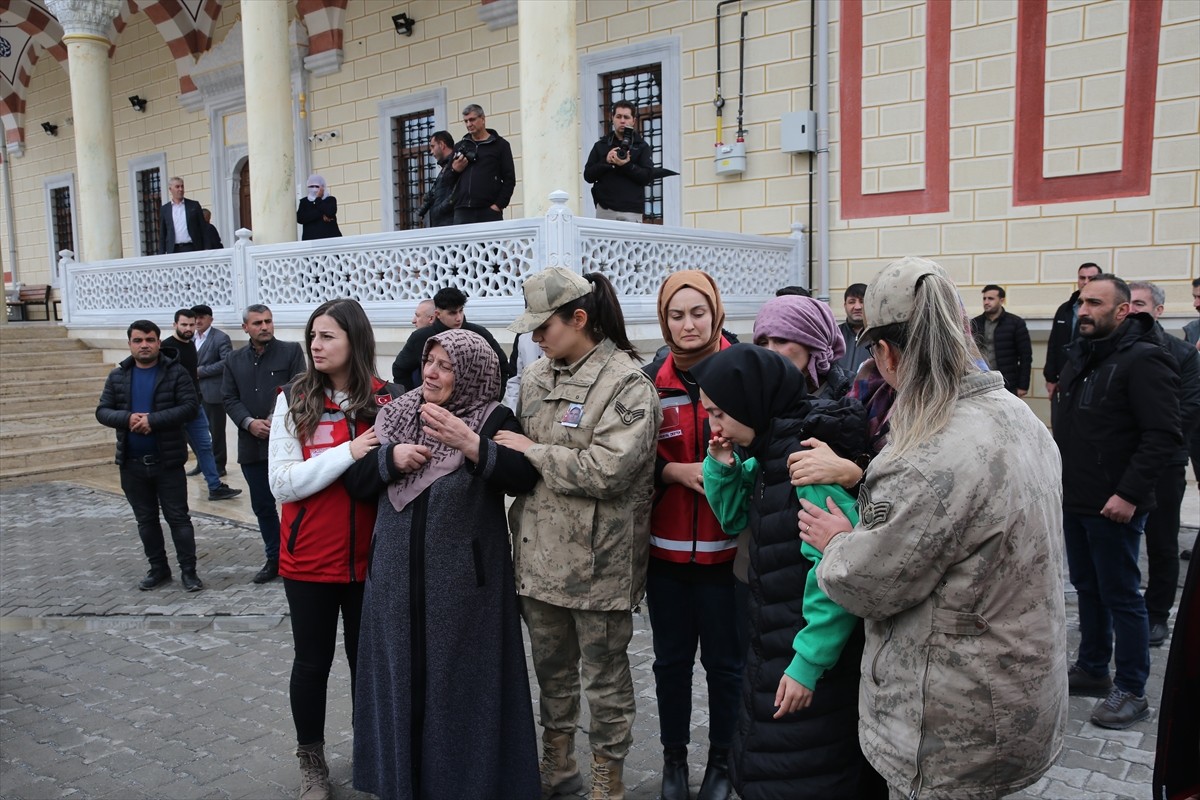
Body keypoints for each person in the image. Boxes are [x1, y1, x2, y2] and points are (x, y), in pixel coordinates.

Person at [797, 256, 1068, 798]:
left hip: (950, 723)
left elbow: (871, 584)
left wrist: (837, 543)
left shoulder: (929, 452)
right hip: (1016, 692)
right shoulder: (1021, 417)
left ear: (888, 352)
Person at [346, 329, 540, 800]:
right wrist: (390, 459)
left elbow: (524, 476)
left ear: (471, 373)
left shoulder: (493, 417)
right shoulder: (395, 412)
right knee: (397, 686)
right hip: (392, 585)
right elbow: (356, 482)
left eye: (446, 365)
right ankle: (398, 782)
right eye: (429, 361)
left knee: (461, 694)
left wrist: (471, 443)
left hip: (464, 591)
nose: (431, 372)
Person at [495, 268, 661, 800]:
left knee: (604, 680)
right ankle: (558, 761)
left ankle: (607, 778)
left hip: (598, 563)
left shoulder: (627, 383)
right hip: (538, 555)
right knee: (552, 672)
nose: (537, 339)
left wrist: (533, 453)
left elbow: (610, 470)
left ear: (580, 318)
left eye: (545, 327)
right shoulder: (540, 376)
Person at [693, 345, 882, 800]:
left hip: (806, 660)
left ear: (749, 401)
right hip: (777, 644)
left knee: (797, 772)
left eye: (719, 413)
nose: (713, 426)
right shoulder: (773, 452)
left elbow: (835, 577)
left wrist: (806, 664)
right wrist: (721, 467)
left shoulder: (804, 465)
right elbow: (736, 519)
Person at [268, 298, 401, 800]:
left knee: (369, 665)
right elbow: (283, 484)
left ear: (355, 341)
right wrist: (348, 451)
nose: (316, 346)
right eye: (313, 337)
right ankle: (312, 761)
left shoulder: (388, 401)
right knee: (312, 663)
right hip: (309, 562)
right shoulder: (293, 398)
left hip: (374, 563)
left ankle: (374, 752)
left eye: (328, 337)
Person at [1054, 275, 1182, 727]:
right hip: (1077, 501)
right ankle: (1092, 668)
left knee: (1123, 597)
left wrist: (1128, 494)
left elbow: (1163, 435)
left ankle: (1131, 689)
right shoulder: (1082, 356)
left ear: (1123, 310)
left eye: (1094, 303)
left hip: (1115, 506)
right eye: (1081, 302)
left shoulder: (1144, 360)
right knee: (1087, 590)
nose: (1083, 310)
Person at [641, 271, 739, 800]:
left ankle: (723, 763)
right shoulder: (650, 383)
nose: (688, 324)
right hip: (667, 556)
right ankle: (674, 762)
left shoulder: (743, 374)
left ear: (716, 311)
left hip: (729, 557)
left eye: (697, 312)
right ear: (664, 321)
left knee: (726, 666)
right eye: (676, 315)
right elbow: (631, 461)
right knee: (670, 664)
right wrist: (671, 473)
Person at [96, 320, 204, 592]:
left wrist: (153, 421)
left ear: (159, 342)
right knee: (146, 521)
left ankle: (189, 572)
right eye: (138, 340)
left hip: (167, 462)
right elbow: (103, 411)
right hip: (131, 463)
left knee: (178, 519)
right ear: (130, 343)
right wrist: (128, 418)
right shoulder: (118, 376)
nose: (144, 345)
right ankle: (158, 569)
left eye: (150, 340)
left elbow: (190, 407)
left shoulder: (176, 373)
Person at [1129, 281, 1200, 648]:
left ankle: (1157, 614)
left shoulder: (1183, 353)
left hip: (1164, 464)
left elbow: (1187, 411)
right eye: (1130, 303)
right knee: (1118, 543)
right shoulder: (1112, 349)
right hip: (1121, 462)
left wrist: (1150, 449)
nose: (1134, 309)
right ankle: (1122, 610)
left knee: (1161, 541)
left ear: (1158, 311)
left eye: (1141, 303)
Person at [221, 304, 305, 584]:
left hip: (287, 443)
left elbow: (300, 389)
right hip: (252, 445)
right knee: (263, 505)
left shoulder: (291, 351)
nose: (264, 327)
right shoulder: (233, 360)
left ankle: (299, 555)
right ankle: (275, 558)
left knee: (296, 501)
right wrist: (249, 423)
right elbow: (229, 398)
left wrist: (273, 421)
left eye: (268, 321)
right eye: (257, 323)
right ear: (246, 327)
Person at [160, 309, 241, 501]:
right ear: (175, 325)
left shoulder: (190, 345)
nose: (189, 328)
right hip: (175, 408)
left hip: (195, 405)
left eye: (191, 324)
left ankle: (215, 486)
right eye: (184, 325)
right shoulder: (167, 348)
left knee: (205, 445)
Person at [390, 286, 510, 392]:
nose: (458, 318)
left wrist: (494, 399)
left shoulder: (479, 334)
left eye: (461, 311)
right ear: (438, 314)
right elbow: (400, 369)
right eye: (452, 313)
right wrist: (415, 399)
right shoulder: (421, 337)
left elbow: (502, 366)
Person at [753, 294, 853, 400]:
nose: (770, 350)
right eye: (763, 343)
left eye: (782, 340)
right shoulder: (753, 394)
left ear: (815, 342)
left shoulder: (854, 392)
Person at [583, 100, 654, 223]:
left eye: (626, 117)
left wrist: (627, 165)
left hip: (632, 211)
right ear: (612, 118)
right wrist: (606, 161)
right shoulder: (601, 146)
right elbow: (588, 176)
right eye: (618, 116)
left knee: (632, 243)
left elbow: (647, 177)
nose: (622, 121)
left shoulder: (642, 146)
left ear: (633, 121)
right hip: (606, 210)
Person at [450, 104, 515, 224]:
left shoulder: (501, 145)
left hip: (489, 211)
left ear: (483, 119)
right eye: (466, 121)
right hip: (462, 211)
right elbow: (447, 180)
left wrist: (498, 206)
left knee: (492, 244)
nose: (469, 124)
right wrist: (454, 170)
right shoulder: (460, 146)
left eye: (472, 119)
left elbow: (509, 179)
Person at [1044, 261, 1101, 395]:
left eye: (1091, 278)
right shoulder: (1065, 309)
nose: (1086, 282)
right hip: (1064, 376)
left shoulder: (1105, 309)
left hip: (1092, 377)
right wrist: (1050, 378)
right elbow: (1054, 344)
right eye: (1082, 278)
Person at [969, 284, 1032, 396]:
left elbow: (1025, 356)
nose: (986, 302)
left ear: (1001, 300)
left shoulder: (1016, 323)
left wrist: (1023, 385)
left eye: (991, 298)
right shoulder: (975, 323)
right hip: (981, 382)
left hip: (1007, 382)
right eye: (984, 298)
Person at [193, 304, 232, 476]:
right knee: (193, 430)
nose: (198, 320)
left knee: (215, 431)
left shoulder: (220, 338)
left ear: (210, 319)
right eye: (195, 317)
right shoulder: (190, 338)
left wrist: (201, 372)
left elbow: (226, 362)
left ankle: (218, 465)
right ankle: (202, 462)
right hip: (193, 392)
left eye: (202, 317)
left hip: (213, 392)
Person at [417, 131, 459, 228]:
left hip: (450, 226)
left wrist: (436, 211)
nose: (431, 152)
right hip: (442, 226)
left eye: (432, 146)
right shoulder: (445, 167)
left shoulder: (456, 164)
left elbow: (456, 194)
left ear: (442, 145)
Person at [158, 176, 205, 254]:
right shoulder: (165, 209)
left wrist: (206, 248)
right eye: (177, 187)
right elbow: (163, 233)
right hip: (173, 249)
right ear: (170, 189)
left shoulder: (194, 205)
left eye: (182, 186)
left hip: (192, 247)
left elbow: (203, 228)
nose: (181, 189)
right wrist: (161, 253)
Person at [836, 283, 870, 375]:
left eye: (862, 301)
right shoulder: (834, 335)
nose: (857, 307)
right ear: (845, 305)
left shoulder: (878, 336)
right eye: (852, 302)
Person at [297, 174, 342, 240]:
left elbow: (331, 212)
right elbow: (300, 218)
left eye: (317, 186)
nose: (314, 189)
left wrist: (318, 199)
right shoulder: (304, 202)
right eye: (311, 186)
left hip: (331, 240)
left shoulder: (330, 199)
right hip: (311, 242)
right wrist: (323, 213)